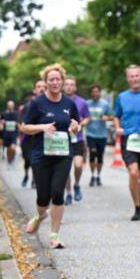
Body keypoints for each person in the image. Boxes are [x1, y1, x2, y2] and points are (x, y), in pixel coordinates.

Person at [20, 64, 81, 249]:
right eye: (51, 79)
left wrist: (75, 127)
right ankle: (40, 216)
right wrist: (42, 127)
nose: (55, 82)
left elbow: (76, 124)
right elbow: (24, 127)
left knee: (57, 191)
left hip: (63, 153)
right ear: (45, 82)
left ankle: (54, 236)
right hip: (41, 155)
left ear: (62, 81)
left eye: (57, 79)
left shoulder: (69, 103)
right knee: (43, 197)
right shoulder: (37, 103)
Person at [114, 65, 140, 220]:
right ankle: (137, 209)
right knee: (133, 172)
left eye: (137, 75)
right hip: (128, 139)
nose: (135, 78)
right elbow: (116, 116)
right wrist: (117, 128)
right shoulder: (122, 97)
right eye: (132, 76)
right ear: (127, 79)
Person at [62, 76, 90, 204]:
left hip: (77, 138)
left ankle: (77, 184)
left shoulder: (82, 102)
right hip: (63, 138)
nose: (69, 87)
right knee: (66, 168)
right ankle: (68, 193)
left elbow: (87, 117)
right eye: (67, 84)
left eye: (72, 84)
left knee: (78, 165)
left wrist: (81, 124)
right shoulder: (59, 100)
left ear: (75, 87)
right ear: (63, 86)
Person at [18, 80, 46, 187]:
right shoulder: (27, 106)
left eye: (44, 87)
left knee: (37, 161)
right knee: (28, 160)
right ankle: (26, 175)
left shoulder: (50, 104)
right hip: (27, 138)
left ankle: (35, 180)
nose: (42, 89)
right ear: (35, 90)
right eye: (39, 87)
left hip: (42, 138)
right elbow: (21, 124)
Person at [85, 84, 112, 186]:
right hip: (90, 133)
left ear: (99, 92)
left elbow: (112, 116)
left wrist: (106, 118)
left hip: (102, 135)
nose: (95, 94)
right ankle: (93, 175)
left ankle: (98, 176)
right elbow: (83, 115)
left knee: (100, 157)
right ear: (91, 93)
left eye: (97, 92)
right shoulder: (87, 103)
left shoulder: (105, 104)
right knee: (92, 153)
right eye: (93, 92)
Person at [0, 100, 19, 167]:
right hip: (6, 133)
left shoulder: (16, 113)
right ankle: (9, 160)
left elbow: (19, 122)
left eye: (11, 105)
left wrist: (16, 124)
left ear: (13, 106)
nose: (10, 107)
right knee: (8, 148)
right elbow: (0, 122)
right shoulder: (3, 113)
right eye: (9, 105)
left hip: (14, 133)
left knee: (13, 147)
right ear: (7, 106)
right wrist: (2, 122)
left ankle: (12, 159)